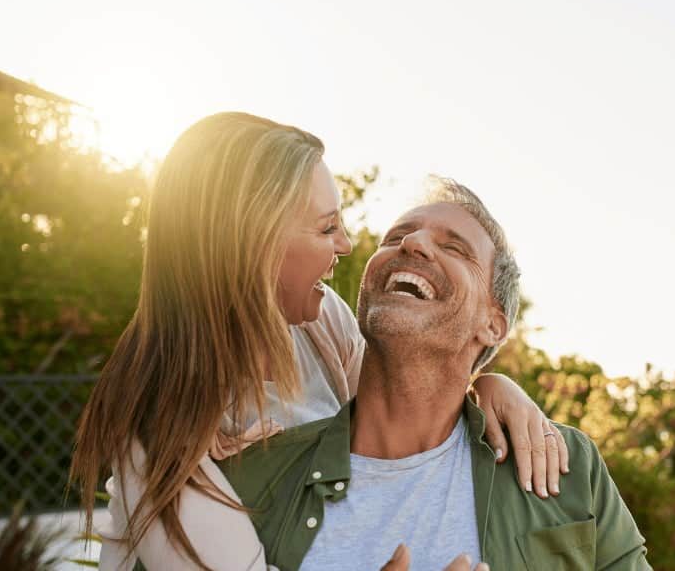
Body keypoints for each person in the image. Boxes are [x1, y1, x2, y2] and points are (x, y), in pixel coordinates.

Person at [69, 113, 569, 571]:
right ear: (253, 241)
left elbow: (398, 406)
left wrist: (486, 386)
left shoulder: (319, 320)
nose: (348, 246)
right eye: (327, 227)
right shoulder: (157, 428)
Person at [217, 178, 651, 570]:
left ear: (492, 324)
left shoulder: (566, 465)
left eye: (455, 248)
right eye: (397, 237)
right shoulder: (252, 479)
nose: (413, 244)